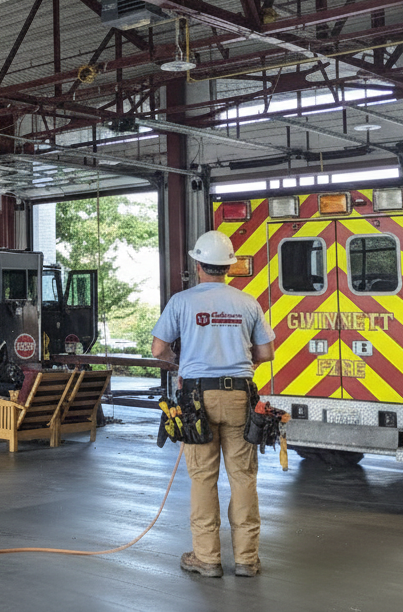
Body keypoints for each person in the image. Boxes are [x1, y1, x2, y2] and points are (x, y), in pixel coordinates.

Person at [150, 230, 276, 579]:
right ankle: (247, 559)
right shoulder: (247, 303)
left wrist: (184, 363)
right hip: (239, 397)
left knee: (203, 478)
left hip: (197, 400)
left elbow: (158, 350)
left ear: (198, 265)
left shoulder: (182, 301)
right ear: (228, 267)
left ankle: (206, 559)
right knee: (243, 477)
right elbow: (265, 352)